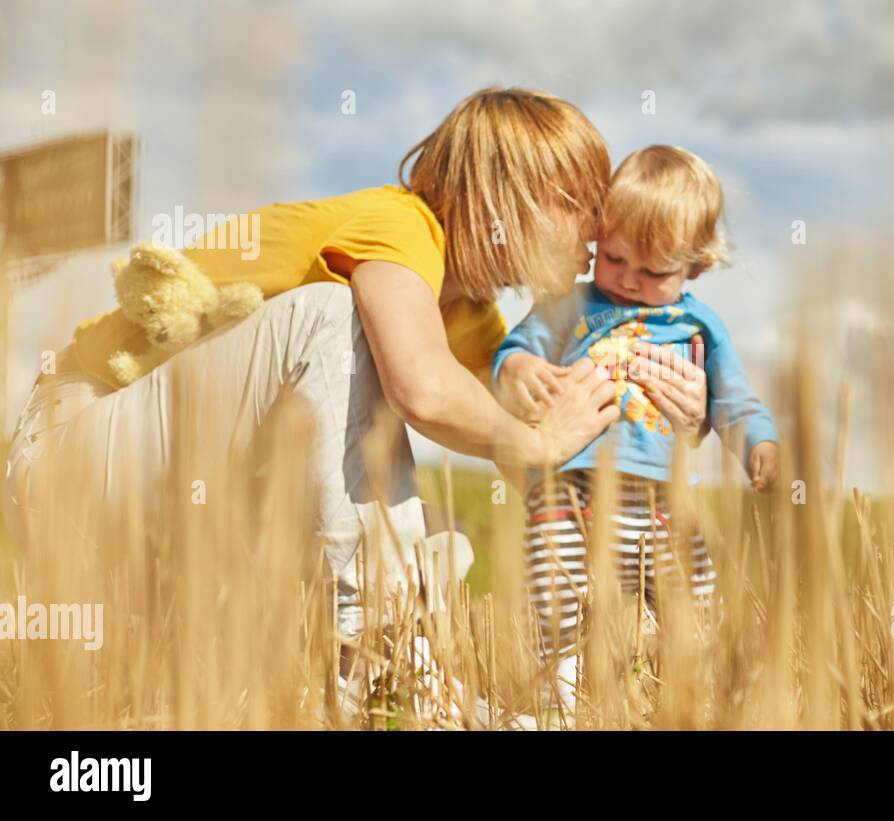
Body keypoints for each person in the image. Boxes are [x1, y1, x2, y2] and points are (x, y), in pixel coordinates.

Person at [2, 89, 712, 651]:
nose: (596, 231)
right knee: (334, 318)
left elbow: (547, 469)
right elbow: (424, 389)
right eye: (579, 204)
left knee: (418, 460)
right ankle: (382, 636)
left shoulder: (471, 317)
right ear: (510, 195)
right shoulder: (399, 228)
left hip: (160, 510)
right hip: (68, 457)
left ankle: (379, 661)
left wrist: (665, 432)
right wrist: (531, 439)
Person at [492, 145, 779, 710]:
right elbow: (512, 351)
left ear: (696, 266)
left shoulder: (698, 323)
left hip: (661, 506)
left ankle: (693, 705)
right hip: (565, 496)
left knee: (693, 611)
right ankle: (558, 707)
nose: (627, 280)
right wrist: (520, 367)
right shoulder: (568, 305)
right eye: (614, 259)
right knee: (555, 605)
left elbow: (734, 400)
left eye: (654, 271)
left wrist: (760, 445)